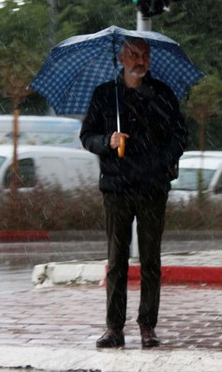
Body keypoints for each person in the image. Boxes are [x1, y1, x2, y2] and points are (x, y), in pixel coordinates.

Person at [80, 37, 188, 348]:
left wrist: (160, 161)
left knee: (151, 258)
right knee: (117, 259)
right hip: (116, 187)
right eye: (133, 55)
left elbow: (180, 136)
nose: (140, 61)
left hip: (152, 187)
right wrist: (107, 142)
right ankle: (114, 328)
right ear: (122, 58)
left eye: (144, 55)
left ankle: (147, 326)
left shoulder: (163, 94)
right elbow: (87, 135)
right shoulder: (105, 95)